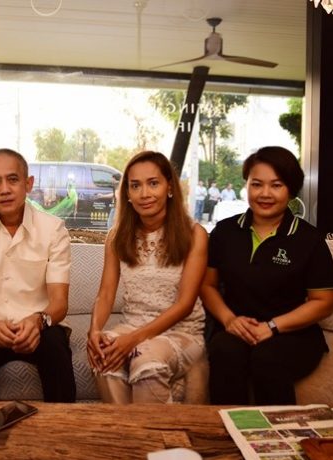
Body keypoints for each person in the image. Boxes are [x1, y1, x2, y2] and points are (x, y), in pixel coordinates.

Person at [201, 146, 333, 405]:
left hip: (293, 334)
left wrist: (272, 326)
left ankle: (277, 430)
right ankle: (223, 426)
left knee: (267, 357)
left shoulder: (309, 239)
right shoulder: (224, 232)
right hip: (237, 328)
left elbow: (324, 302)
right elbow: (207, 285)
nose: (265, 194)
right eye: (256, 184)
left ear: (291, 190)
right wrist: (229, 320)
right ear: (246, 185)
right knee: (223, 350)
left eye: (276, 185)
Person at [0, 148, 76, 402]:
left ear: (28, 184)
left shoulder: (53, 230)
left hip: (39, 323)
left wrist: (38, 321)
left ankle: (62, 424)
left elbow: (59, 302)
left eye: (13, 179)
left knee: (56, 348)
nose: (5, 190)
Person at [87, 151, 208, 404]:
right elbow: (106, 294)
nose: (144, 194)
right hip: (131, 325)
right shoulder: (116, 237)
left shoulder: (194, 234)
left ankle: (151, 429)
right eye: (135, 186)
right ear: (127, 194)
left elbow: (185, 304)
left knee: (145, 361)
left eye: (153, 183)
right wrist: (95, 330)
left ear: (169, 187)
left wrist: (132, 340)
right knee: (103, 358)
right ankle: (128, 428)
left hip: (181, 333)